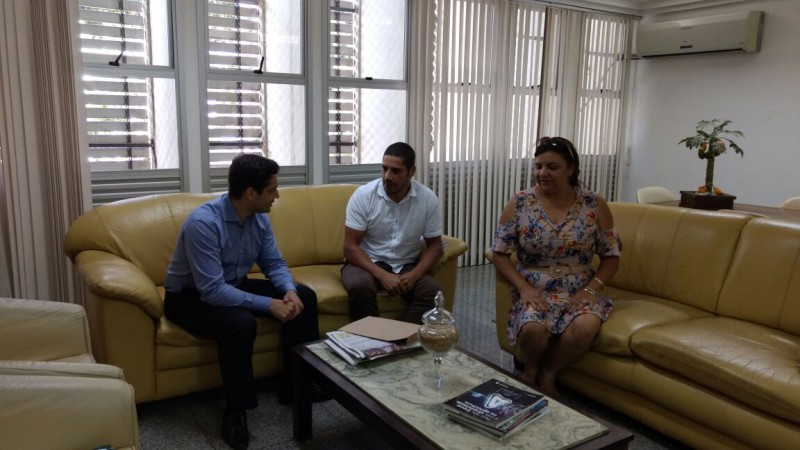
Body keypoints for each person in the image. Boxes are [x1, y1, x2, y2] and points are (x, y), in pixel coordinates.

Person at [163, 153, 327, 450]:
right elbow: (212, 290)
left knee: (304, 296)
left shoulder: (259, 218)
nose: (277, 195)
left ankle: (296, 386)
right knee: (240, 323)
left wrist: (288, 291)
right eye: (272, 189)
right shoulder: (204, 223)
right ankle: (236, 411)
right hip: (189, 298)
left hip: (231, 284)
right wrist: (269, 305)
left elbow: (273, 262)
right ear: (250, 193)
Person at [490, 136, 621, 398]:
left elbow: (611, 256)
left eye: (552, 167)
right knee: (533, 328)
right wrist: (523, 289)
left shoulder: (594, 204)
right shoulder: (520, 202)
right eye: (538, 166)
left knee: (585, 327)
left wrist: (591, 290)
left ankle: (549, 374)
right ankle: (530, 372)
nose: (542, 173)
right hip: (534, 287)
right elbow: (499, 253)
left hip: (579, 288)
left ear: (571, 169)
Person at [342, 142, 444, 324]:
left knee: (432, 292)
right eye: (384, 169)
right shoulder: (364, 195)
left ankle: (400, 338)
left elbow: (435, 246)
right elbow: (350, 247)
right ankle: (371, 338)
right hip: (367, 263)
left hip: (406, 265)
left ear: (411, 171)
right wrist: (382, 275)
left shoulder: (427, 199)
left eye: (396, 171)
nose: (387, 176)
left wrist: (415, 274)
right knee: (360, 287)